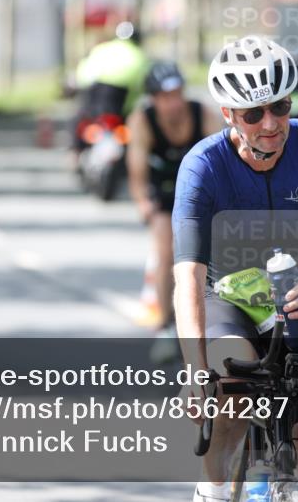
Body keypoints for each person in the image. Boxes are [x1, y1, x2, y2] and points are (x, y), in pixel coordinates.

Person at [173, 36, 298, 502]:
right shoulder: (203, 165)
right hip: (228, 298)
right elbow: (188, 279)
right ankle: (215, 488)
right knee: (230, 382)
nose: (271, 123)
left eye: (280, 106)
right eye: (253, 114)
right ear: (228, 115)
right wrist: (196, 370)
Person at [126, 62, 221, 338]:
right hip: (164, 194)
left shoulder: (201, 113)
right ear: (154, 99)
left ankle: (213, 313)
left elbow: (222, 154)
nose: (174, 103)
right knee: (166, 252)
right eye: (166, 97)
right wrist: (142, 201)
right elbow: (137, 170)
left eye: (178, 94)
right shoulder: (142, 121)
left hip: (199, 192)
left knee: (212, 252)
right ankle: (166, 321)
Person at [70, 21, 151, 166]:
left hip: (93, 97)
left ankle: (75, 153)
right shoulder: (141, 57)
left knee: (79, 119)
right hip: (120, 104)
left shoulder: (101, 49)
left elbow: (82, 75)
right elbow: (143, 86)